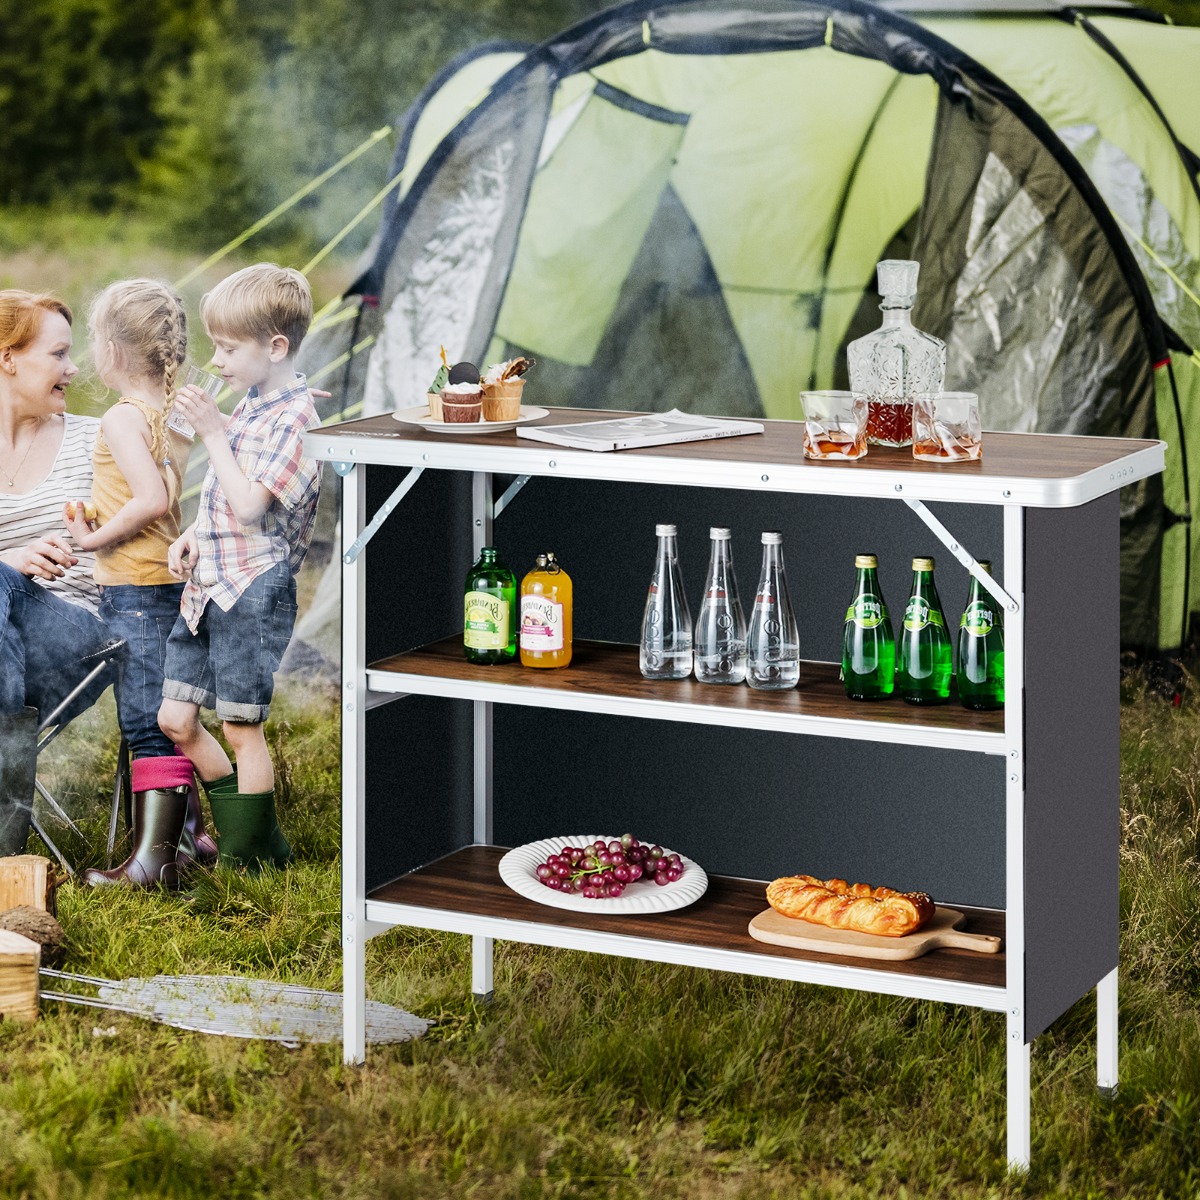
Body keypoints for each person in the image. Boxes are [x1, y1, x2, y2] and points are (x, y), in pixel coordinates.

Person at [158, 263, 321, 871]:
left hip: (254, 588)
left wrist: (210, 434)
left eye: (228, 348)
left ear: (275, 347)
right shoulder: (255, 404)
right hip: (210, 583)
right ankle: (258, 842)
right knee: (175, 718)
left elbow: (252, 504)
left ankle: (246, 858)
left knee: (240, 727)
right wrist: (196, 532)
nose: (217, 360)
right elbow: (227, 498)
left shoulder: (296, 419)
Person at [63, 279, 217, 888]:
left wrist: (92, 540)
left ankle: (153, 866)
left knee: (145, 721)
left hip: (135, 588)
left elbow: (151, 500)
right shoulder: (172, 412)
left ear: (114, 351)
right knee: (161, 705)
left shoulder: (124, 417)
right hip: (164, 584)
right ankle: (186, 838)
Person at [0, 290, 111, 857]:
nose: (74, 369)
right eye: (59, 354)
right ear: (8, 358)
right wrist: (9, 562)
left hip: (76, 635)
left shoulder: (98, 440)